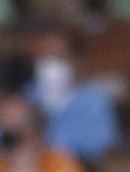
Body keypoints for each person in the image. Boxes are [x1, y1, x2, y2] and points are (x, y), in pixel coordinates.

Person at [19, 27, 117, 161]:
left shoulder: (92, 98)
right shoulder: (29, 94)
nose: (50, 65)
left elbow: (100, 146)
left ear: (75, 61)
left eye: (58, 57)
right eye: (44, 57)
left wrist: (48, 145)